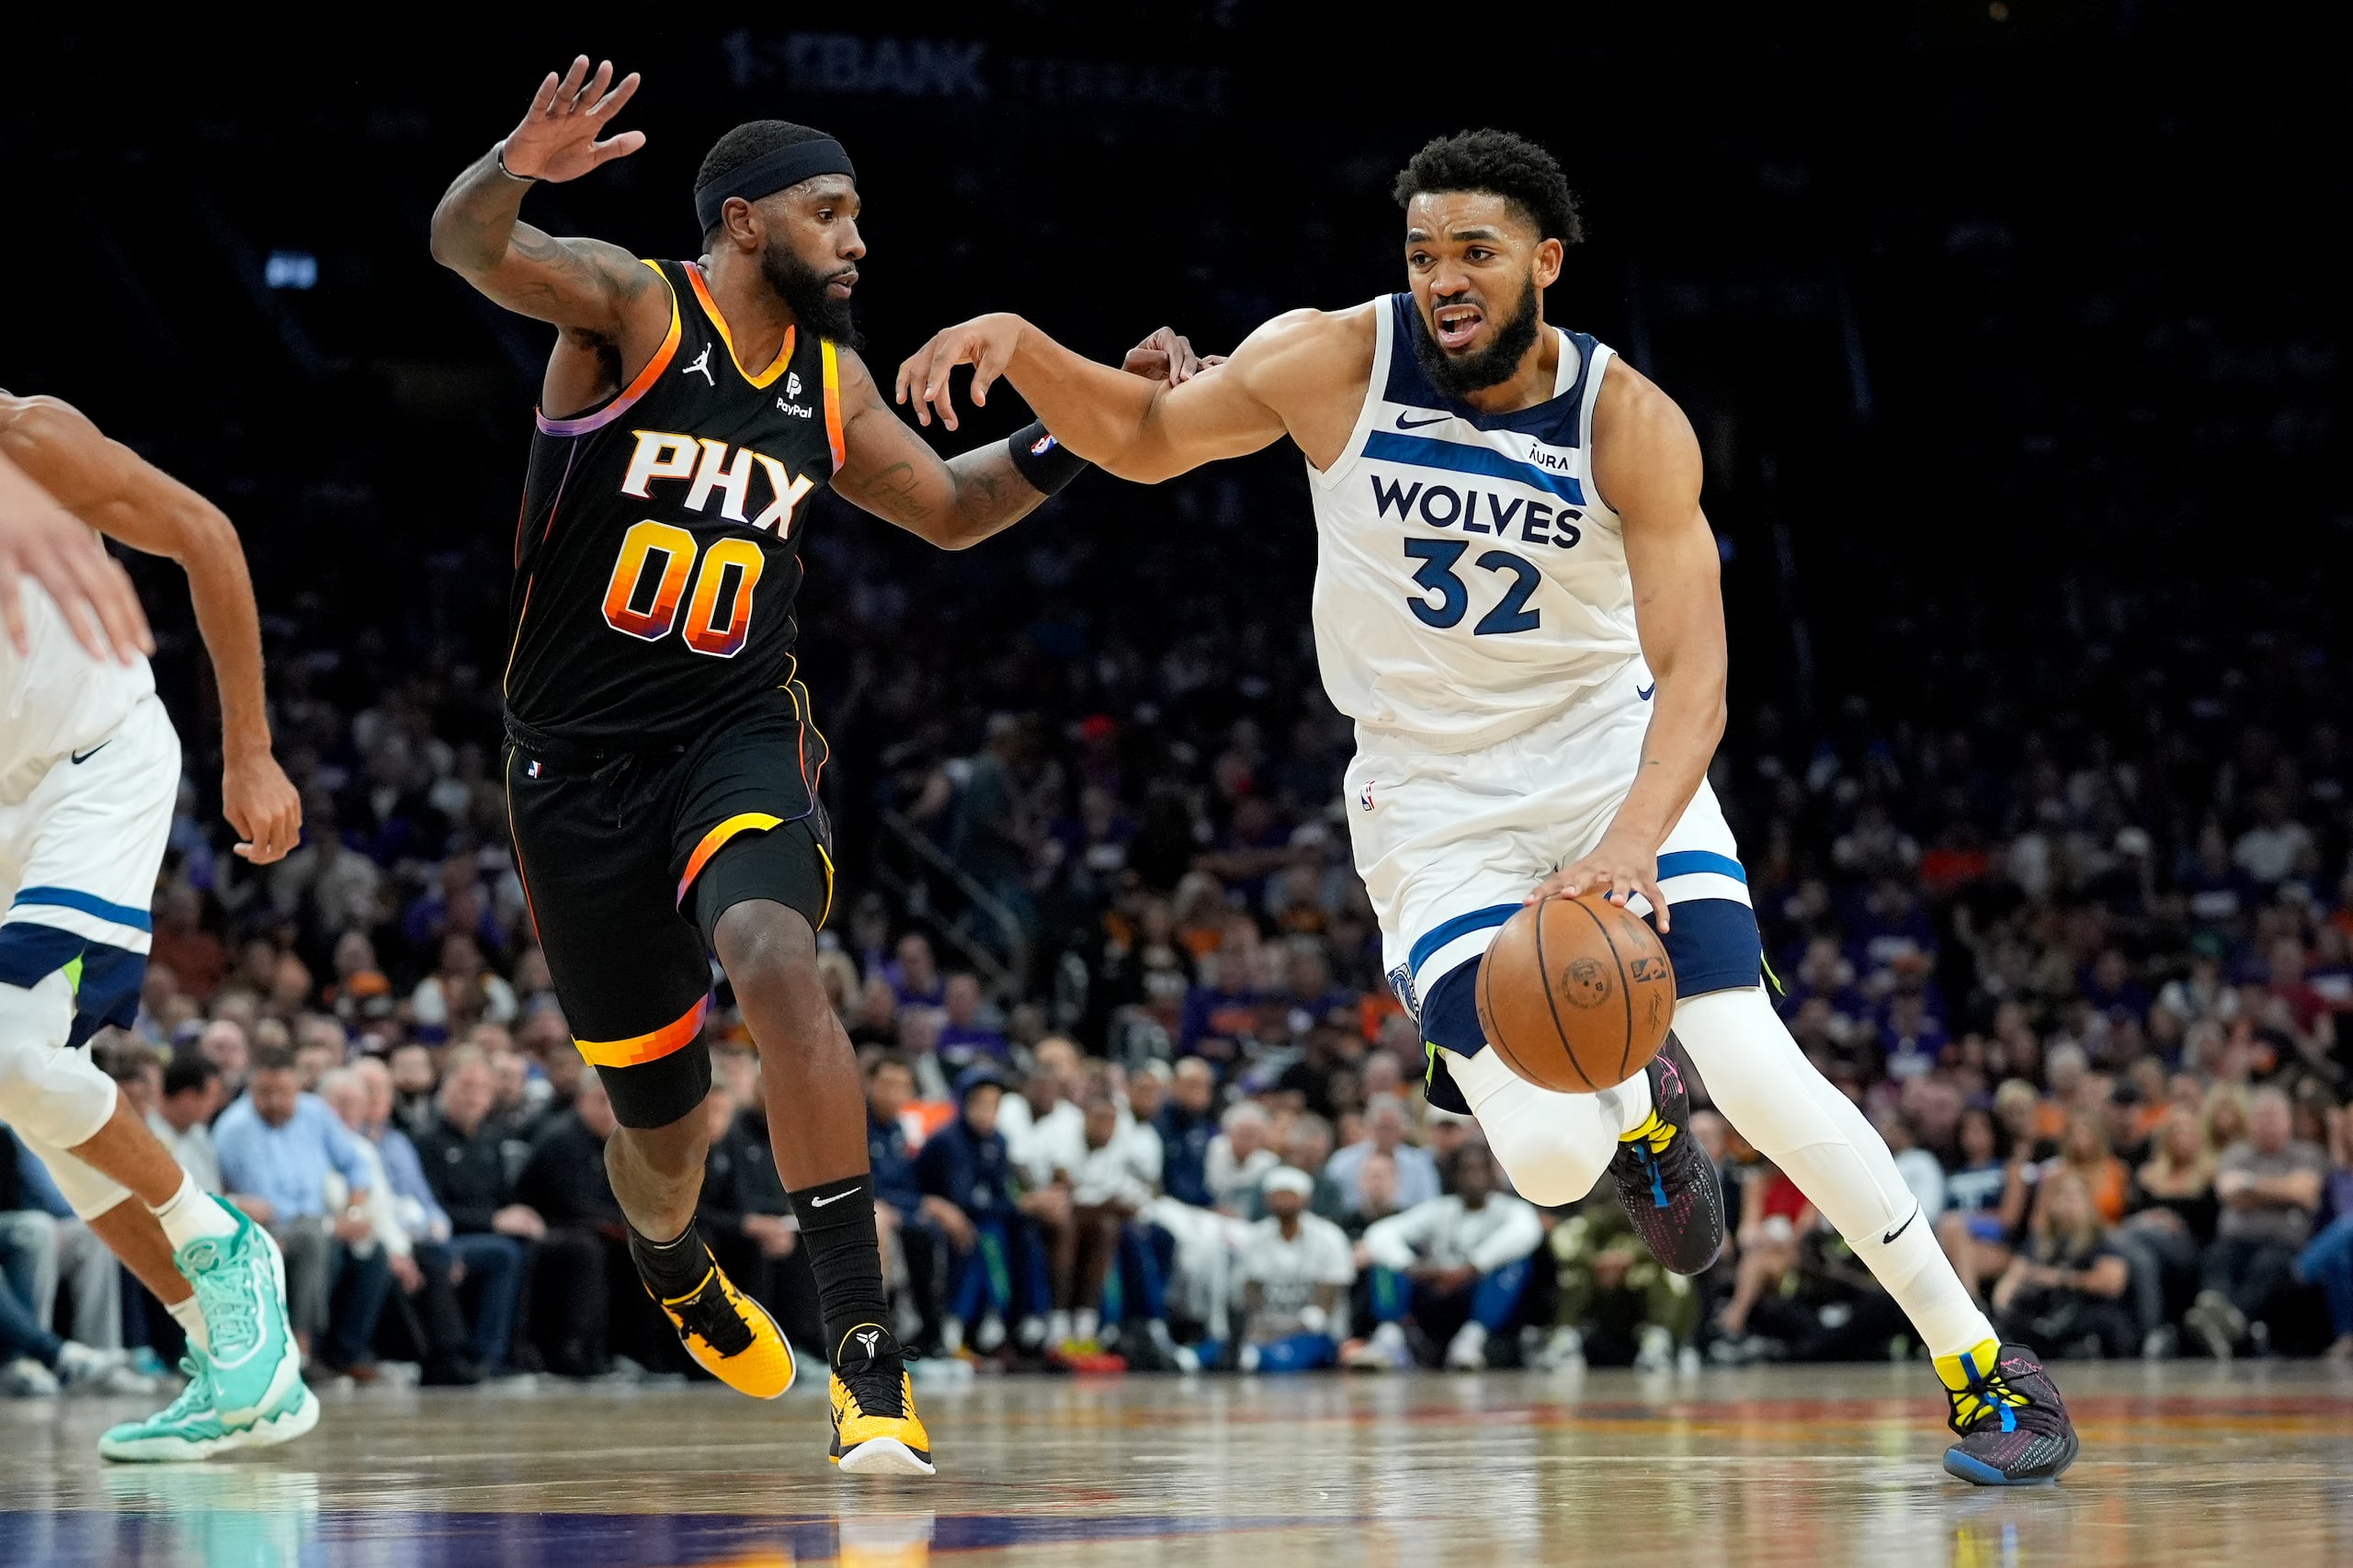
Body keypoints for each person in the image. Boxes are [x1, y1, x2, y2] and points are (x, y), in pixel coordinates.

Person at [897, 126, 2076, 1483]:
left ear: (1545, 261)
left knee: (1753, 1055)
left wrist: (1632, 845)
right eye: (1422, 252)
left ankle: (1982, 1366)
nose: (1444, 276)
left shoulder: (1630, 419)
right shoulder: (1335, 356)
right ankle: (1633, 1116)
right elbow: (1152, 441)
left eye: (1475, 251)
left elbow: (1697, 675)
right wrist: (1021, 341)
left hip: (1601, 760)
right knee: (1557, 1164)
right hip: (1433, 797)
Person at [427, 59, 1182, 1476]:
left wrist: (1078, 422)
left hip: (736, 732)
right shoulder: (637, 307)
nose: (857, 239)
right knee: (662, 1139)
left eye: (858, 215)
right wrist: (512, 162)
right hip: (574, 771)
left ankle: (867, 1361)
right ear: (745, 221)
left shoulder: (827, 384)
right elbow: (472, 247)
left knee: (779, 956)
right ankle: (670, 1256)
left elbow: (957, 511)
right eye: (832, 213)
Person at [0, 402, 312, 1460]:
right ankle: (235, 1364)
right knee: (38, 1095)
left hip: (97, 765)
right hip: (5, 796)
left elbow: (206, 536)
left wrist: (250, 752)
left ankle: (228, 1246)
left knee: (10, 1055)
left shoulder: (30, 439)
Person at [212, 1048, 391, 1381]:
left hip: (322, 1221)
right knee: (313, 1240)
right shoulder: (233, 1129)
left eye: (284, 1092)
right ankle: (301, 1346)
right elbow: (239, 1199)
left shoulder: (316, 1114)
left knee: (373, 1252)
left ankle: (344, 1356)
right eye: (265, 1093)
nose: (276, 1101)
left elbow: (356, 1165)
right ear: (251, 1090)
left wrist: (352, 1210)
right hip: (265, 1229)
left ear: (298, 1089)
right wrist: (328, 1225)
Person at [1354, 1142, 1541, 1371]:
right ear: (1455, 1175)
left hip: (1476, 1292)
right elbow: (1379, 1234)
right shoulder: (1440, 1209)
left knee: (1516, 1264)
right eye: (1466, 1170)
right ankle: (1390, 1337)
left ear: (1492, 1174)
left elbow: (1527, 1232)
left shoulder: (1510, 1210)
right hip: (1435, 1288)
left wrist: (1472, 1267)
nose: (1474, 1177)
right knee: (1384, 1261)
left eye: (1480, 1169)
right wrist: (1411, 1266)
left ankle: (1471, 1341)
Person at [2184, 1086, 2327, 1359]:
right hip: (2235, 1241)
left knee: (2268, 1264)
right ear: (2250, 1123)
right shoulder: (2236, 1154)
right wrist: (2284, 1191)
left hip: (2284, 1246)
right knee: (2216, 1256)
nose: (2268, 1125)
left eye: (2274, 1118)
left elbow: (2304, 1191)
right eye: (2262, 1118)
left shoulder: (2307, 1153)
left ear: (2288, 1122)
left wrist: (2251, 1186)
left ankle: (2230, 1323)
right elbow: (2228, 1192)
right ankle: (2215, 1315)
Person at [1989, 1172, 2134, 1360]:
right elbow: (2008, 1285)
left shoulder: (2100, 1239)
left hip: (2084, 1312)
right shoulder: (2039, 1241)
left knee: (2106, 1319)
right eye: (2062, 1196)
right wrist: (2007, 1299)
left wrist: (2060, 1278)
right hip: (2045, 1317)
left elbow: (2114, 1283)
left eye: (2074, 1197)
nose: (2068, 1204)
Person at [1231, 1166, 1356, 1372]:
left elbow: (1323, 1309)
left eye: (1290, 1195)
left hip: (1317, 1335)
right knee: (1231, 1354)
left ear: (1306, 1199)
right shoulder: (1255, 1238)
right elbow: (1251, 1297)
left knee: (1280, 1364)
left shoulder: (1329, 1238)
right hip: (1266, 1332)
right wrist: (1258, 1331)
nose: (1283, 1201)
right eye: (1278, 1195)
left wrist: (1279, 1333)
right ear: (1267, 1199)